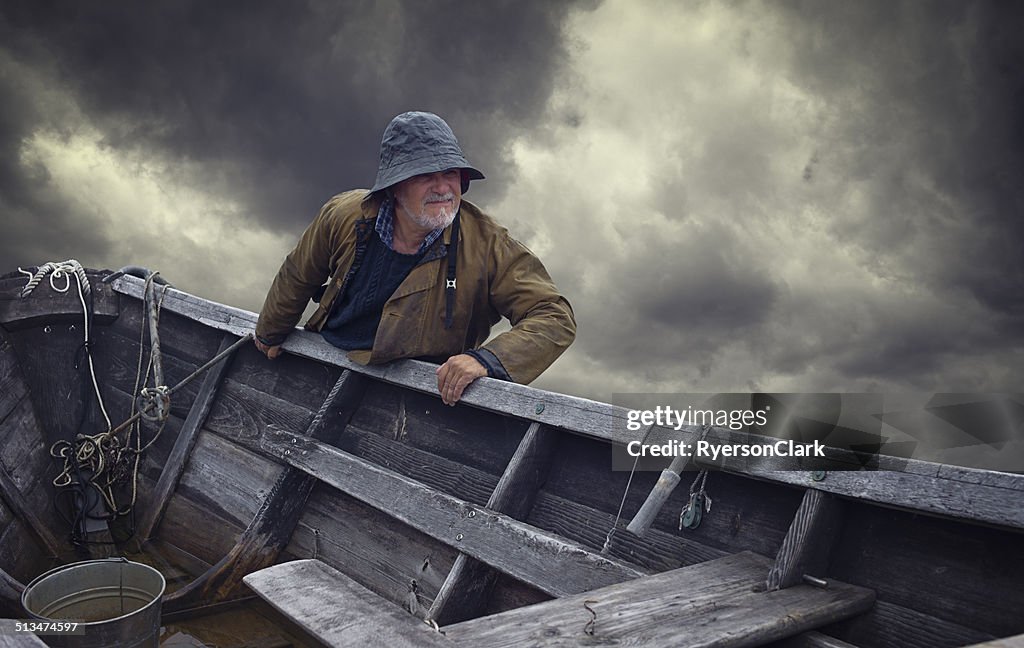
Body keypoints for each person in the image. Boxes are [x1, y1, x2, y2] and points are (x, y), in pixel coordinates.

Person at [254, 111, 575, 405]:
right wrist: (271, 332)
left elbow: (553, 316)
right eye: (424, 175)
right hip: (329, 361)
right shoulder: (344, 214)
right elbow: (298, 273)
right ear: (394, 187)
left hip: (421, 395)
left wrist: (486, 360)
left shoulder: (489, 245)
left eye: (450, 173)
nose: (442, 188)